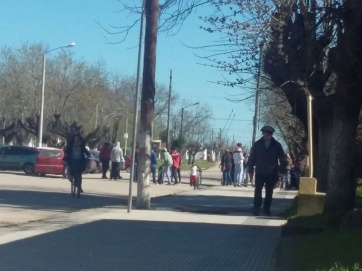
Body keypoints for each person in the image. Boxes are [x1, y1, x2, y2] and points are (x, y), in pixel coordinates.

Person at [247, 125, 287, 216]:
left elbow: (282, 159)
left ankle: (266, 209)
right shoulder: (257, 144)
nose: (265, 135)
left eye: (267, 133)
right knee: (258, 190)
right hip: (260, 170)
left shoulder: (277, 145)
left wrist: (281, 170)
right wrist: (250, 169)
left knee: (269, 192)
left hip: (272, 172)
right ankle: (256, 208)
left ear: (271, 134)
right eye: (264, 133)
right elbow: (252, 157)